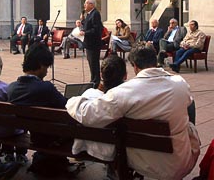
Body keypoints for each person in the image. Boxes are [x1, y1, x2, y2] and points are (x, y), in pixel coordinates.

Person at [66, 46, 200, 180]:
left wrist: (72, 101)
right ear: (155, 62)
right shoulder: (180, 83)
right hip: (181, 160)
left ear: (135, 66)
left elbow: (87, 114)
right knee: (189, 107)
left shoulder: (123, 92)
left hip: (146, 162)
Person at [7, 43, 69, 177]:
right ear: (41, 65)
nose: (47, 71)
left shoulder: (12, 88)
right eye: (46, 67)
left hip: (34, 133)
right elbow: (66, 107)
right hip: (53, 136)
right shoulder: (46, 88)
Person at [80, 0, 103, 88]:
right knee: (91, 63)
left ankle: (95, 81)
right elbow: (87, 25)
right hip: (89, 43)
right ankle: (93, 79)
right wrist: (82, 20)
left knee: (94, 63)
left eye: (86, 3)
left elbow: (96, 29)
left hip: (93, 43)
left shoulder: (95, 14)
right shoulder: (89, 14)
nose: (84, 5)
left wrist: (85, 32)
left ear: (91, 5)